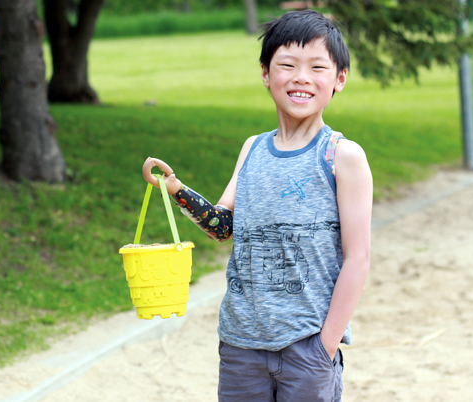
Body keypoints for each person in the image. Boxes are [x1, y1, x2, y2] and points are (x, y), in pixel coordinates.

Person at [142, 9, 372, 402]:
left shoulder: (341, 156)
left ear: (339, 79)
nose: (301, 77)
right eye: (287, 65)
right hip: (240, 345)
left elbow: (358, 258)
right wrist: (176, 188)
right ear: (266, 74)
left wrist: (326, 345)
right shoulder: (252, 148)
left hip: (307, 344)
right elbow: (221, 226)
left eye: (317, 66)